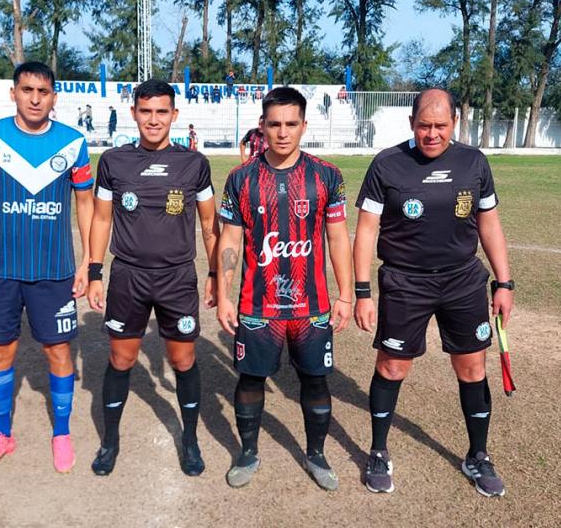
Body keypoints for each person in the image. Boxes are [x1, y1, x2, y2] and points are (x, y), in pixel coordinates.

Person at [352, 88, 514, 497]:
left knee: (472, 368)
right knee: (392, 367)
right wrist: (362, 292)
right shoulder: (387, 164)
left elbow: (489, 224)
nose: (432, 133)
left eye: (441, 125)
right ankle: (378, 451)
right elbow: (366, 230)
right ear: (411, 123)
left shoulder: (474, 162)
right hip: (405, 282)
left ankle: (478, 455)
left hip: (463, 281)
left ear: (455, 123)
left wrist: (504, 282)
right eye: (424, 125)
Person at [0, 61, 95, 474]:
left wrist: (88, 262)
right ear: (13, 92)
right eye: (27, 90)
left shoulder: (72, 142)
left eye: (43, 92)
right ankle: (3, 434)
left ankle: (61, 433)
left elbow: (85, 203)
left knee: (58, 349)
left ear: (54, 97)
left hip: (54, 269)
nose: (35, 99)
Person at [216, 86, 353, 491]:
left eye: (291, 124)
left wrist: (346, 294)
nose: (282, 132)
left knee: (316, 380)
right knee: (250, 380)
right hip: (258, 307)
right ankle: (248, 452)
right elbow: (229, 240)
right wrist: (223, 295)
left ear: (304, 126)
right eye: (274, 124)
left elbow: (337, 238)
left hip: (312, 307)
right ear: (262, 125)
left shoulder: (327, 176)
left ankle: (316, 454)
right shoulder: (241, 178)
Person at [87, 78, 220, 477]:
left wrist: (215, 272)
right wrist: (94, 272)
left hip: (177, 278)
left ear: (174, 115)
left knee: (183, 359)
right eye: (145, 111)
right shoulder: (113, 161)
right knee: (121, 358)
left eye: (162, 111)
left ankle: (190, 439)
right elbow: (101, 219)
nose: (154, 119)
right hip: (128, 276)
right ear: (134, 113)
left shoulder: (194, 164)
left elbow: (210, 223)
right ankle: (110, 441)